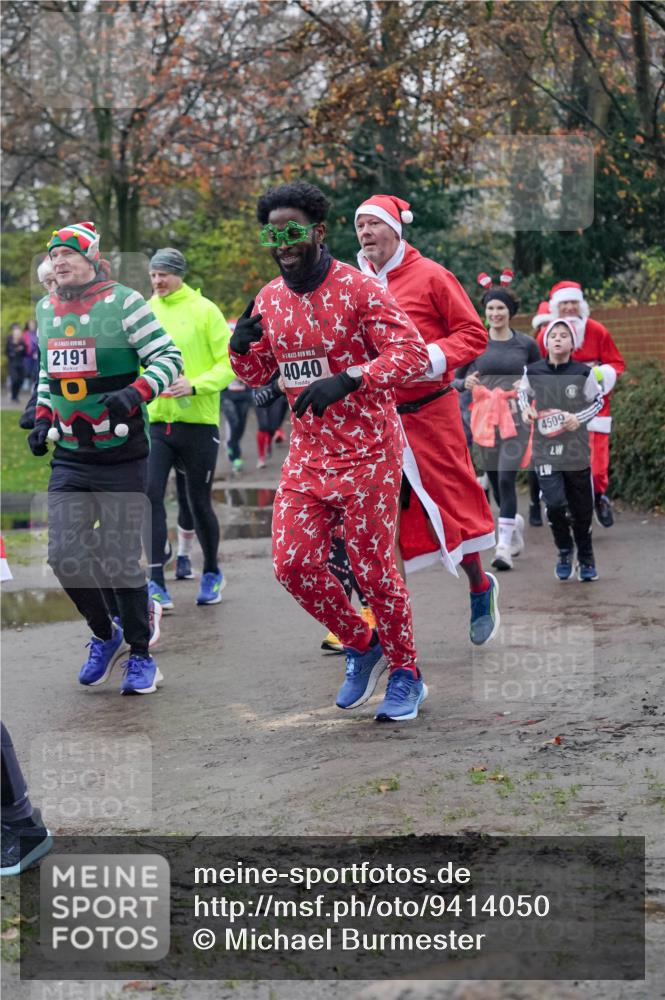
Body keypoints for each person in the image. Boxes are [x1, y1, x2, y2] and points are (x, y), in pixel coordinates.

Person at [229, 181, 431, 722]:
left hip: (369, 451)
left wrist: (351, 379)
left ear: (318, 232)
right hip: (309, 455)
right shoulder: (269, 299)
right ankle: (361, 644)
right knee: (292, 563)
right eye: (273, 234)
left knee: (372, 569)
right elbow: (259, 376)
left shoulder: (359, 288)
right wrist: (239, 348)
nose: (283, 242)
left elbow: (410, 353)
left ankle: (407, 672)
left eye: (293, 230)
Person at [29, 221, 182, 694]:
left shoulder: (125, 302)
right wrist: (40, 416)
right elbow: (46, 371)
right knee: (63, 556)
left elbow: (167, 359)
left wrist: (135, 393)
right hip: (72, 455)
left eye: (68, 254)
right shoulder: (46, 307)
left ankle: (141, 656)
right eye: (53, 256)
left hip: (122, 453)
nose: (58, 262)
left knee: (119, 558)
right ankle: (104, 634)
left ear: (92, 257)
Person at [354, 194, 499, 645]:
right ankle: (386, 625)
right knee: (376, 516)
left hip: (430, 412)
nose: (364, 233)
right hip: (376, 417)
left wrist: (429, 359)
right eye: (358, 226)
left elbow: (473, 334)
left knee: (450, 504)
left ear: (397, 229)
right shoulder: (353, 282)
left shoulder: (432, 275)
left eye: (373, 224)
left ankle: (480, 585)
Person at [145, 248, 235, 608]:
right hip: (155, 421)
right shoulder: (145, 312)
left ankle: (212, 570)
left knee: (198, 502)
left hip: (197, 421)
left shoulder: (205, 310)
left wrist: (194, 384)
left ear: (179, 274)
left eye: (163, 274)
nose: (157, 281)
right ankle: (155, 580)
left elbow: (229, 363)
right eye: (152, 275)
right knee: (149, 495)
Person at [457, 271, 541, 571]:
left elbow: (541, 377)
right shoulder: (475, 341)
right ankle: (513, 525)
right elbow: (456, 379)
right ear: (485, 311)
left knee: (506, 478)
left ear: (510, 312)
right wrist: (465, 383)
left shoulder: (527, 345)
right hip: (484, 421)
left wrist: (528, 386)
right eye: (491, 308)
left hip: (515, 418)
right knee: (494, 480)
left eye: (500, 308)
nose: (495, 313)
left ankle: (502, 546)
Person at [519, 318, 605, 581]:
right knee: (555, 504)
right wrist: (527, 410)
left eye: (564, 335)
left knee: (581, 508)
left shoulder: (583, 373)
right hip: (545, 450)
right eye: (553, 335)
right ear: (546, 342)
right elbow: (523, 395)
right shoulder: (533, 371)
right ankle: (564, 551)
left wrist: (578, 418)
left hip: (575, 450)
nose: (558, 338)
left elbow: (598, 400)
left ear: (572, 343)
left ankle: (586, 556)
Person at [536, 281, 624, 528]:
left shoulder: (597, 330)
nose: (569, 308)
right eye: (564, 303)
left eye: (574, 302)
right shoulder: (545, 334)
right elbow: (535, 366)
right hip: (558, 407)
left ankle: (599, 497)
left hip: (594, 407)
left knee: (596, 467)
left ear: (581, 304)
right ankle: (562, 505)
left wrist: (598, 375)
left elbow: (616, 363)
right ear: (556, 307)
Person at [20, 257, 58, 430]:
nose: (52, 290)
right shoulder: (46, 314)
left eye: (55, 281)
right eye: (47, 283)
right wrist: (34, 407)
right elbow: (45, 370)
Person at [5, 324, 27, 401]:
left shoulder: (22, 343)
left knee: (21, 380)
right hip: (12, 364)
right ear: (13, 334)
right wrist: (15, 351)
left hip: (20, 364)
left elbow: (25, 353)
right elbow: (7, 353)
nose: (18, 335)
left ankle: (15, 395)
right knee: (15, 379)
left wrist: (22, 349)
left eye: (19, 334)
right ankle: (14, 396)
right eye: (16, 334)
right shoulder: (10, 342)